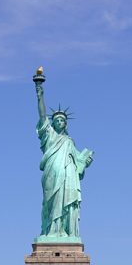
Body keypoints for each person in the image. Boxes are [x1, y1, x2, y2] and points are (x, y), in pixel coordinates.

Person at [35, 80, 94, 240]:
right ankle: (50, 231)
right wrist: (40, 95)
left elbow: (79, 162)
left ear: (65, 124)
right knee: (50, 202)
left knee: (65, 204)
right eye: (57, 120)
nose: (60, 122)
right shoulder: (49, 135)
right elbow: (42, 116)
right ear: (52, 123)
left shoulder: (69, 142)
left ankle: (64, 231)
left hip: (68, 176)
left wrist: (85, 161)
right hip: (52, 174)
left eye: (62, 120)